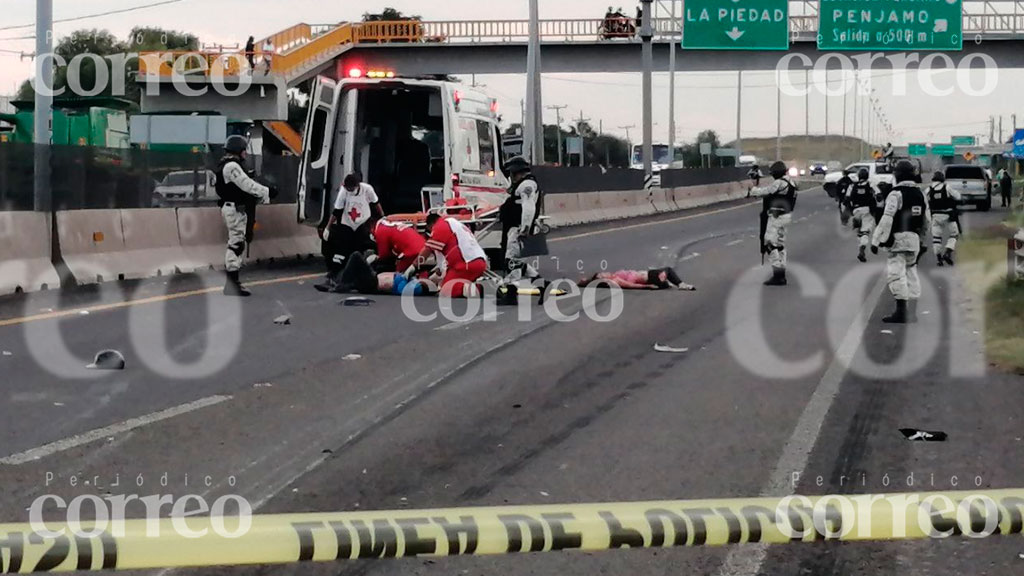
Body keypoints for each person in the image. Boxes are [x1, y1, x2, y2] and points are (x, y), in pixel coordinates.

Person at [215, 135, 277, 296]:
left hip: (237, 209)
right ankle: (232, 283)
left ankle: (233, 281)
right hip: (233, 209)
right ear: (238, 150)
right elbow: (247, 185)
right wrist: (267, 191)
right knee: (236, 244)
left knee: (238, 242)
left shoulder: (230, 165)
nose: (245, 154)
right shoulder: (231, 166)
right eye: (244, 150)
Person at [871, 160, 930, 324]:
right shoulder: (920, 194)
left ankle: (902, 311)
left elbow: (887, 219)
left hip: (898, 240)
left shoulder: (895, 194)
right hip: (914, 240)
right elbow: (927, 221)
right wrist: (923, 241)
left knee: (896, 275)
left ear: (898, 174)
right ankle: (913, 311)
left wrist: (876, 240)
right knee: (911, 272)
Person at [316, 173, 385, 292]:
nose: (349, 191)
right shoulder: (344, 191)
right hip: (347, 223)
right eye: (347, 188)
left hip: (363, 222)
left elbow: (376, 204)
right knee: (341, 250)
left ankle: (358, 275)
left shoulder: (367, 190)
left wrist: (383, 218)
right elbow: (337, 211)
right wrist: (328, 227)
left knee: (360, 250)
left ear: (357, 185)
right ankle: (333, 275)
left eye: (351, 189)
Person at [412, 214, 488, 298]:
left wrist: (414, 266)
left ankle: (478, 288)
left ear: (431, 225)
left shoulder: (440, 226)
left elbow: (427, 250)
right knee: (452, 282)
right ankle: (477, 284)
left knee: (446, 291)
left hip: (465, 263)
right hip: (478, 261)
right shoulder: (453, 223)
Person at [748, 160, 798, 286]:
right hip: (786, 215)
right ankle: (781, 273)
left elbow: (767, 191)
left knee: (769, 243)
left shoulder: (780, 183)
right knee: (780, 245)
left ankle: (778, 274)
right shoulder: (791, 182)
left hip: (777, 217)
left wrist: (753, 189)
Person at [500, 156, 544, 282]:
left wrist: (524, 229)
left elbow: (528, 207)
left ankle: (510, 291)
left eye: (511, 173)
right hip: (515, 227)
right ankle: (541, 282)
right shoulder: (523, 185)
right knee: (517, 262)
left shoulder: (526, 185)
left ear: (516, 172)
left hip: (518, 228)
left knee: (512, 262)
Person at [927, 171, 961, 267]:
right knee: (954, 234)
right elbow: (957, 196)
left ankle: (938, 259)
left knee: (936, 238)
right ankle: (948, 252)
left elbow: (924, 199)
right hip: (948, 215)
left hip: (935, 216)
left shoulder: (929, 189)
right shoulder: (946, 187)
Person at [847, 167, 881, 262]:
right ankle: (862, 247)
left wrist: (851, 210)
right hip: (867, 211)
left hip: (856, 211)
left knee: (859, 232)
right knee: (865, 231)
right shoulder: (871, 184)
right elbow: (879, 195)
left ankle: (861, 245)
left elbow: (847, 199)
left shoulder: (852, 186)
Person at [578, 268, 695, 290]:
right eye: (602, 274)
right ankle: (681, 284)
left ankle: (666, 284)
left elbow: (584, 281)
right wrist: (648, 286)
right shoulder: (614, 280)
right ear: (601, 278)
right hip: (650, 277)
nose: (604, 272)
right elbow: (630, 285)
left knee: (665, 276)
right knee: (668, 270)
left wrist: (585, 281)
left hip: (651, 276)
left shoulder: (614, 275)